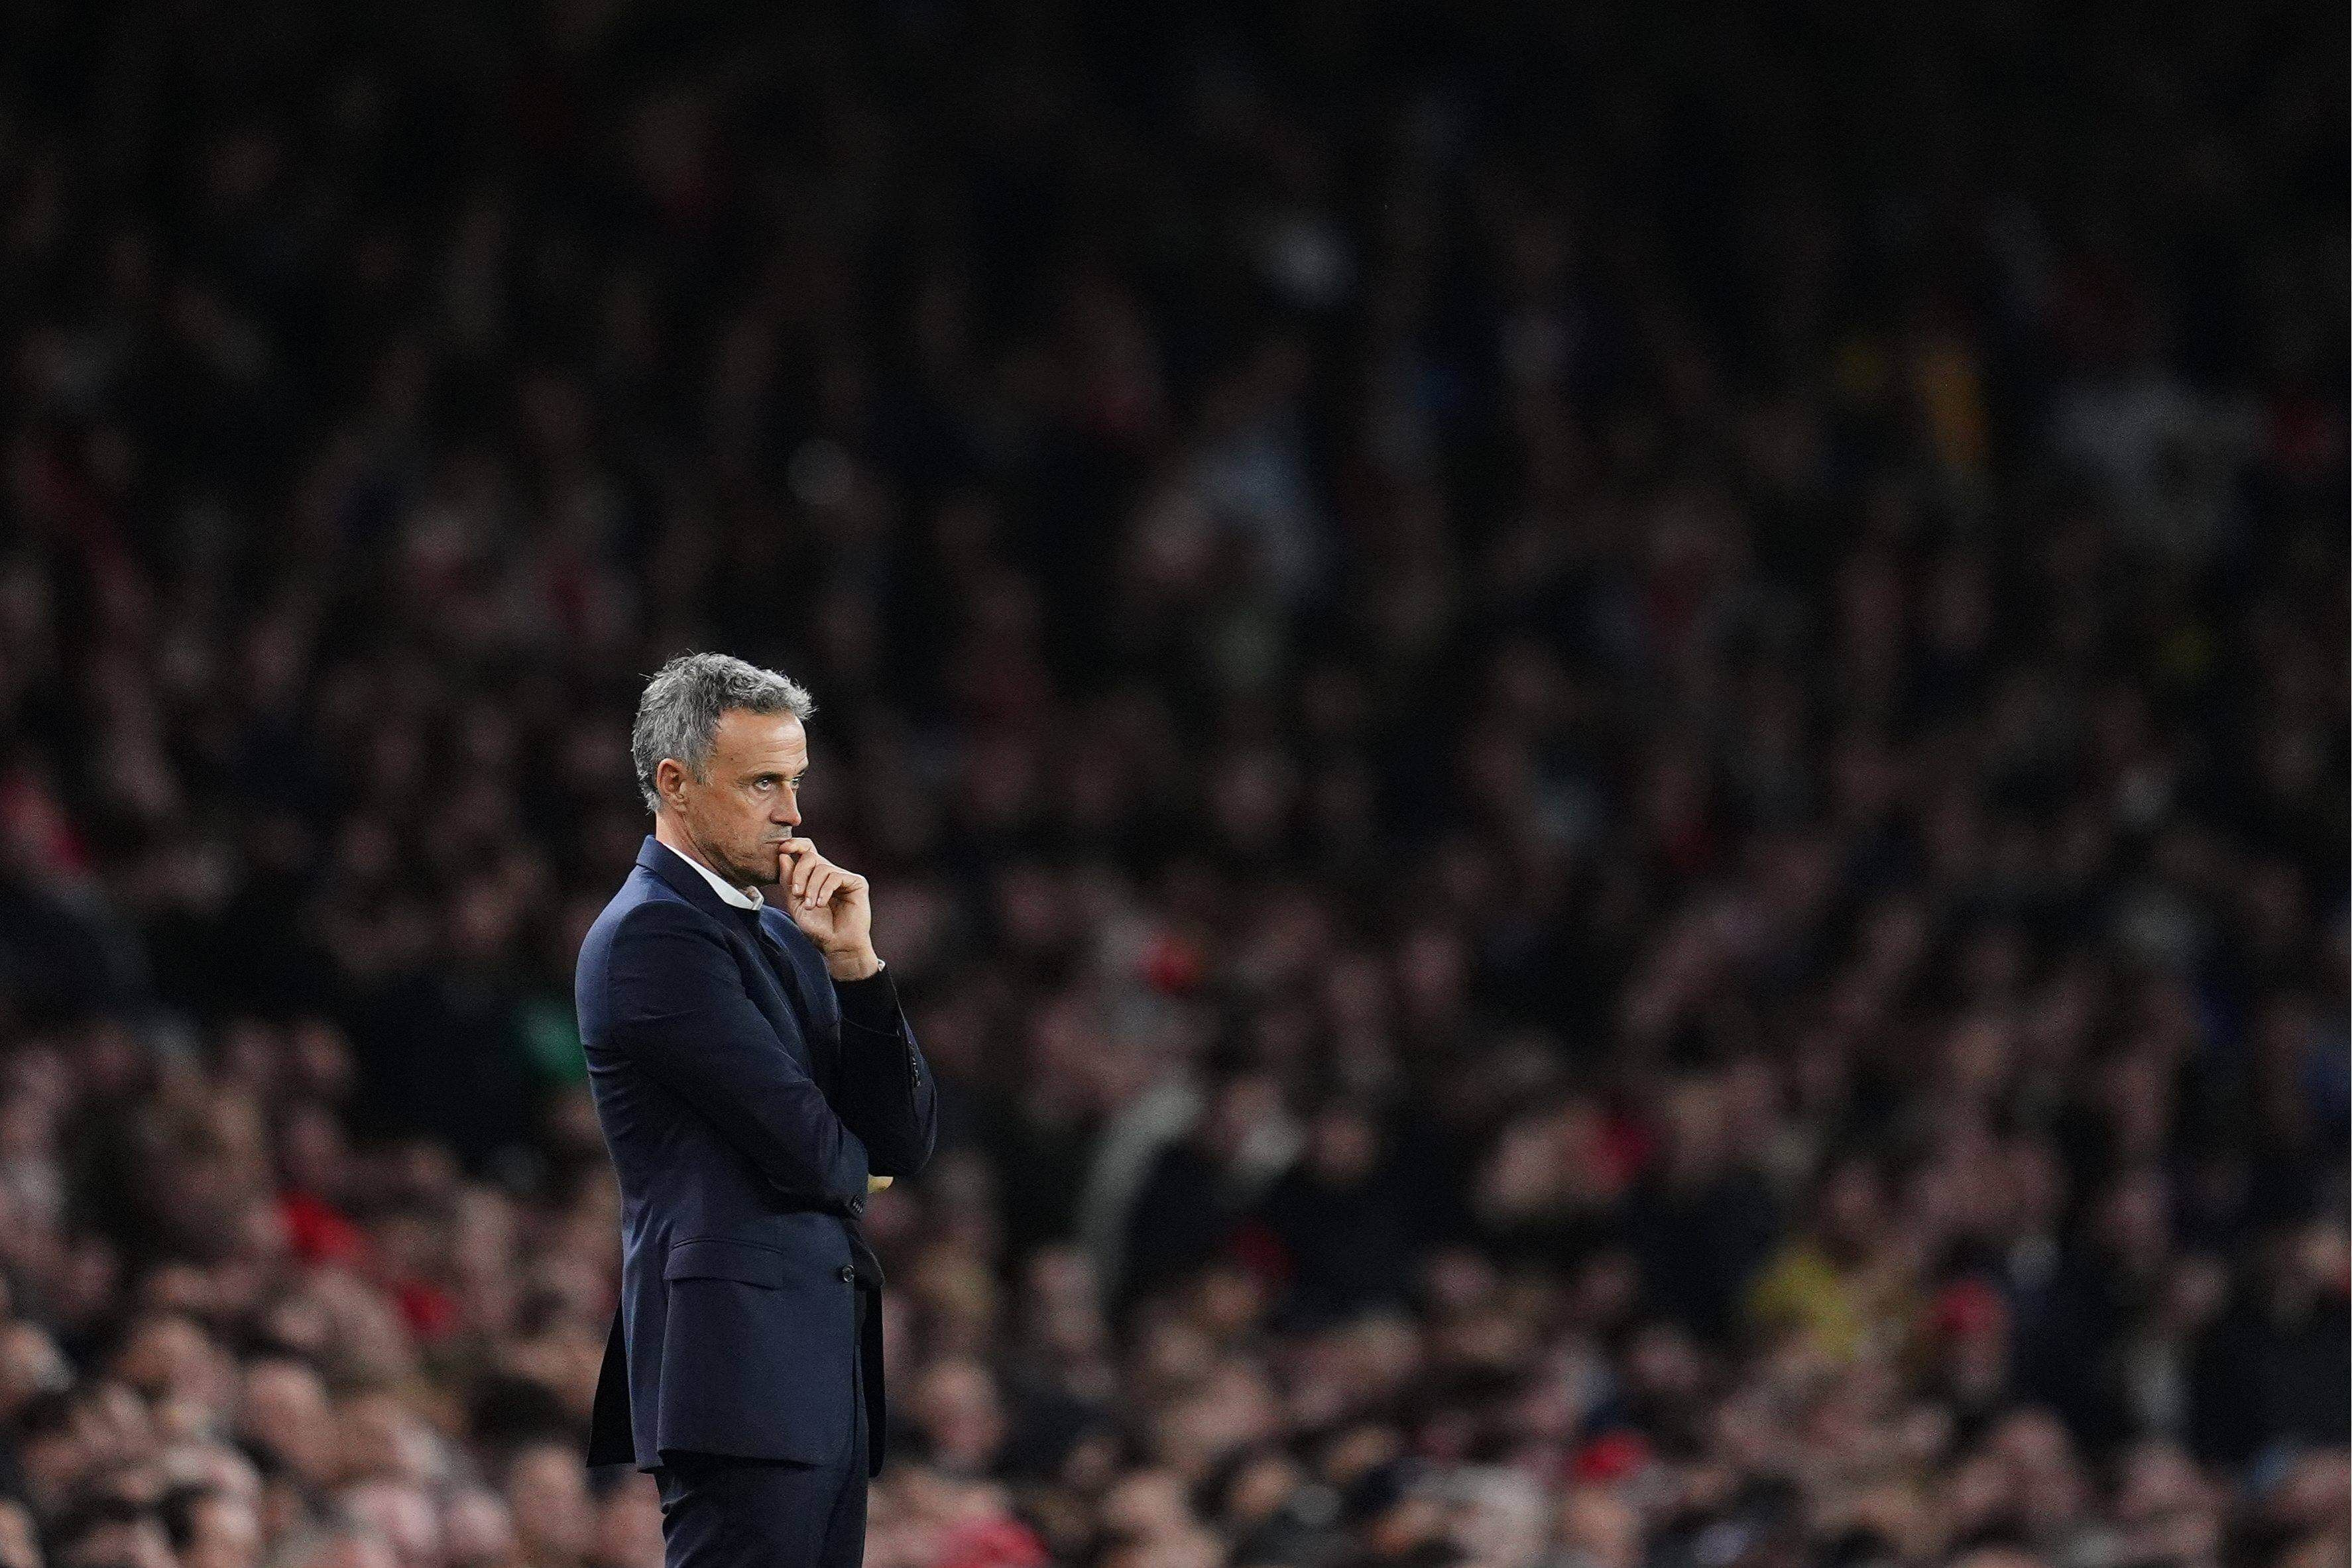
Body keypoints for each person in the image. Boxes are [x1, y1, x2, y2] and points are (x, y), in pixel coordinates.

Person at [575, 653, 939, 1568]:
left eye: (797, 780)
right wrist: (859, 1160)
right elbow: (811, 1149)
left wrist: (857, 968)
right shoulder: (651, 935)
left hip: (812, 1374)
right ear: (677, 783)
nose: (794, 813)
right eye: (765, 782)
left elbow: (901, 1139)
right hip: (735, 1378)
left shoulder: (785, 932)